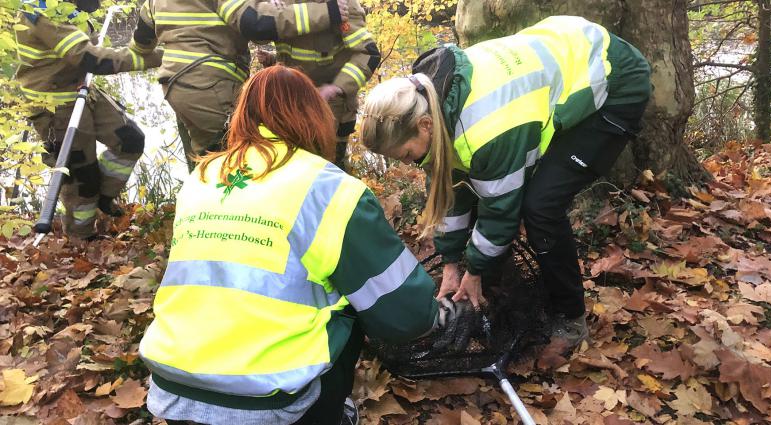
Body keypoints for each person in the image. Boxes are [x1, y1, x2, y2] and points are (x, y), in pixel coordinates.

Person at [139, 65, 470, 425]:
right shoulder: (330, 189)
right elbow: (403, 313)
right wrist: (441, 316)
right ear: (315, 117)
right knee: (354, 302)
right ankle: (326, 412)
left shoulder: (200, 178)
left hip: (173, 389)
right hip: (268, 403)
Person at [360, 15, 652, 354]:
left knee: (540, 206)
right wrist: (453, 264)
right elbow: (450, 194)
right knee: (499, 190)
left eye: (407, 154)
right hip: (560, 63)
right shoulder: (431, 101)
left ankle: (572, 318)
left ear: (425, 126)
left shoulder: (486, 128)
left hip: (612, 78)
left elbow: (501, 210)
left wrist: (476, 271)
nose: (409, 163)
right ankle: (494, 279)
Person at [133, 0, 351, 171]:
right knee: (239, 158)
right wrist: (328, 12)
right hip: (210, 85)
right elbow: (254, 24)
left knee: (208, 159)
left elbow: (141, 42)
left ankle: (203, 216)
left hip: (176, 86)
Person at [16, 0, 163, 240]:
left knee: (130, 140)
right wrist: (156, 57)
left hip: (82, 89)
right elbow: (92, 59)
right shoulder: (41, 11)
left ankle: (103, 197)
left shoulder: (63, 7)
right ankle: (81, 237)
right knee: (82, 177)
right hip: (56, 105)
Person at [257, 0, 380, 171]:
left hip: (330, 108)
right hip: (289, 107)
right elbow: (259, 34)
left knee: (326, 172)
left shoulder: (344, 5)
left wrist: (338, 87)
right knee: (290, 170)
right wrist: (272, 60)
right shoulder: (281, 3)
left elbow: (368, 54)